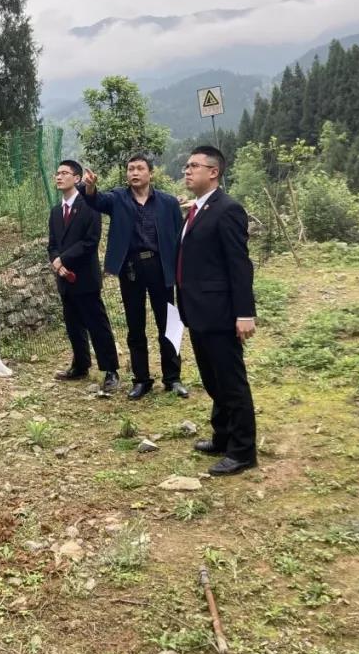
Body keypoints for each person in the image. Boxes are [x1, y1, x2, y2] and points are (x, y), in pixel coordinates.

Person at [177, 145, 258, 476]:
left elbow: (239, 265)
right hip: (198, 310)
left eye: (194, 166)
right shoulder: (196, 209)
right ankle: (222, 436)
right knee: (213, 380)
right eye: (186, 165)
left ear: (213, 172)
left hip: (220, 312)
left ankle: (243, 451)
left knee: (231, 382)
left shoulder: (228, 209)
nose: (187, 170)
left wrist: (244, 313)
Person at [82, 154, 187, 399]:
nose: (135, 173)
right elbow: (96, 201)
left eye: (140, 168)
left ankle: (172, 378)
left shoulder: (168, 202)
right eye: (131, 169)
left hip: (161, 266)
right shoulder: (118, 198)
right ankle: (141, 380)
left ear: (151, 173)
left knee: (168, 323)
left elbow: (178, 236)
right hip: (131, 268)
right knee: (135, 325)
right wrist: (90, 187)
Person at [48, 159, 120, 394]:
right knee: (73, 324)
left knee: (97, 324)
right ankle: (80, 365)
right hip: (64, 278)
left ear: (77, 178)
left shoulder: (89, 206)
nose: (59, 177)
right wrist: (57, 262)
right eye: (57, 173)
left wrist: (63, 259)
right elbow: (52, 244)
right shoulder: (56, 211)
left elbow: (90, 242)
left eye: (64, 173)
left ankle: (110, 370)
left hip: (85, 277)